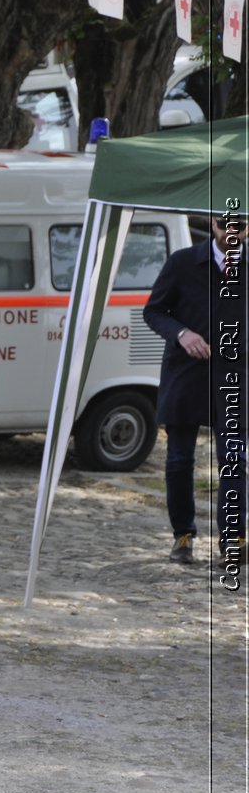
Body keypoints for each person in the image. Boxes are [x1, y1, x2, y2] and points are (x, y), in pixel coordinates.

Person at [144, 212, 246, 566]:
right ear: (213, 223)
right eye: (224, 224)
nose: (231, 232)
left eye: (241, 225)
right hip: (186, 373)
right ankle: (183, 536)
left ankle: (232, 541)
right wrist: (182, 334)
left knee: (235, 461)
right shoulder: (182, 262)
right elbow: (154, 311)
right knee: (179, 460)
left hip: (235, 376)